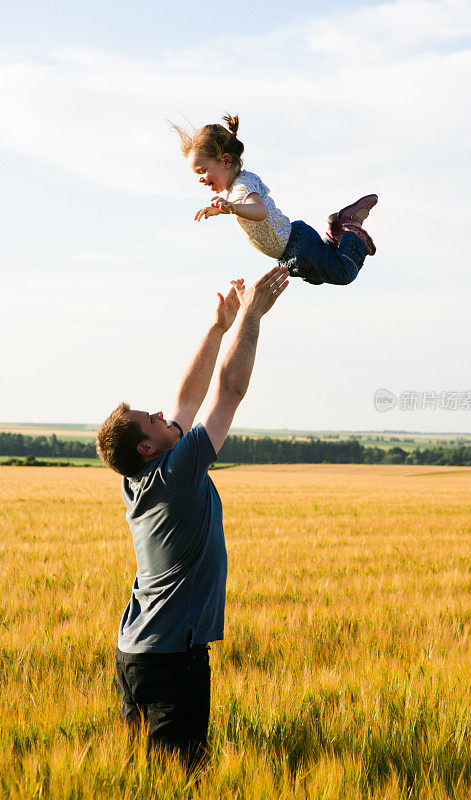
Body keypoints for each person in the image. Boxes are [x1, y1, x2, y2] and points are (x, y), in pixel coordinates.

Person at [96, 266, 289, 771]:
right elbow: (228, 392)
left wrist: (217, 326)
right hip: (171, 661)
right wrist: (252, 317)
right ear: (146, 445)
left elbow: (186, 401)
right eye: (152, 421)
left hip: (134, 653)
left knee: (141, 775)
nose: (163, 415)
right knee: (180, 778)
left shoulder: (137, 475)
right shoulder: (176, 473)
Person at [173, 113, 378, 286]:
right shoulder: (237, 188)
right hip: (293, 250)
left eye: (203, 170)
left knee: (343, 273)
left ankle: (352, 232)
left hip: (297, 247)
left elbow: (259, 211)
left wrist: (232, 208)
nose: (200, 178)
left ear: (226, 160)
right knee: (321, 273)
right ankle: (336, 231)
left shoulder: (242, 186)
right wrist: (225, 209)